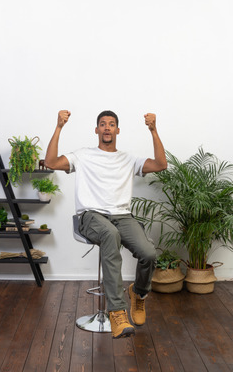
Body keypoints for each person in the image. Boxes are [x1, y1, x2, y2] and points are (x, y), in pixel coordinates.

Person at [45, 109, 167, 338]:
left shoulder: (128, 159)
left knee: (149, 253)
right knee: (110, 234)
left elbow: (161, 165)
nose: (107, 127)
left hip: (123, 216)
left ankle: (139, 294)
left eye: (111, 124)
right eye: (103, 124)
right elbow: (51, 162)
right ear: (97, 130)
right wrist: (59, 127)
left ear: (117, 130)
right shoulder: (83, 155)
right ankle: (117, 312)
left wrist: (153, 130)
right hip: (91, 216)